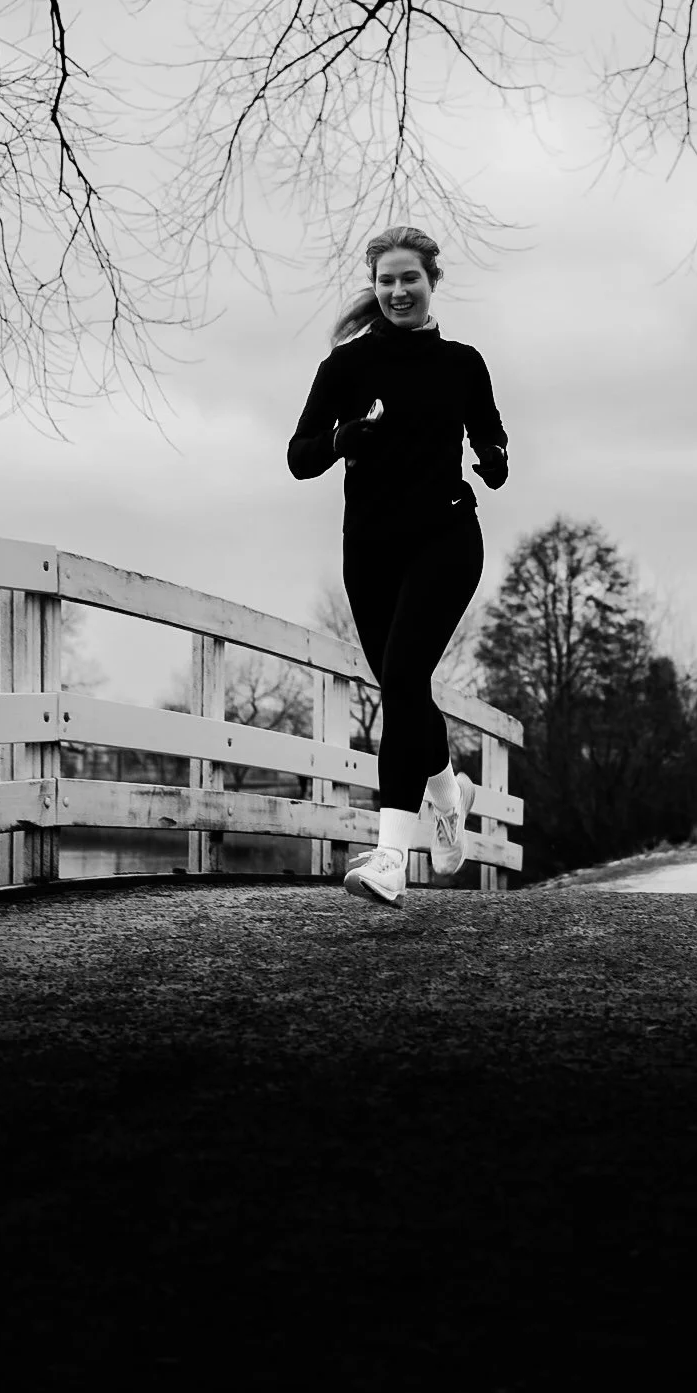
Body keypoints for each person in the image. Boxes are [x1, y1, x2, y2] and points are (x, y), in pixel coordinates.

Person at [286, 225, 509, 909]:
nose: (398, 290)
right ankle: (448, 792)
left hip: (445, 536)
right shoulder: (345, 368)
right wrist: (342, 437)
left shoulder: (462, 364)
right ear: (373, 285)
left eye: (409, 277)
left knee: (404, 679)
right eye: (386, 279)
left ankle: (389, 857)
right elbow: (300, 457)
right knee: (405, 688)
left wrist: (494, 460)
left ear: (430, 281)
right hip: (372, 549)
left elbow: (491, 438)